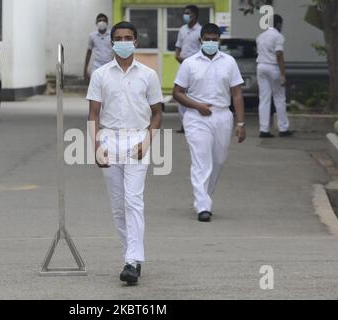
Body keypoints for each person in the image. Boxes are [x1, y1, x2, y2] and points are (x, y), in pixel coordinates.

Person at [87, 21, 163, 285]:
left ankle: (132, 262)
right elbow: (93, 114)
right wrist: (96, 147)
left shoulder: (148, 75)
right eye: (118, 38)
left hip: (138, 140)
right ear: (111, 41)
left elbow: (157, 114)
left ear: (136, 41)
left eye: (128, 37)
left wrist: (148, 141)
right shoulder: (100, 75)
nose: (123, 41)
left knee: (134, 201)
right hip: (109, 139)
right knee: (118, 207)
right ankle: (130, 256)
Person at [173, 23, 246, 223]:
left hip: (223, 115)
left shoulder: (229, 62)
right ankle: (203, 206)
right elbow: (177, 93)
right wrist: (197, 106)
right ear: (200, 39)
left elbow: (237, 94)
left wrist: (241, 124)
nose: (211, 42)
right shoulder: (189, 63)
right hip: (197, 117)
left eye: (215, 38)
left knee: (218, 161)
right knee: (201, 160)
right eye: (208, 38)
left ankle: (204, 197)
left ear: (219, 40)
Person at [256, 14, 294, 138]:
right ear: (279, 24)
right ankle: (283, 128)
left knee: (264, 99)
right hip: (273, 67)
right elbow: (279, 55)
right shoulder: (278, 37)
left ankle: (264, 129)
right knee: (279, 98)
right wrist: (283, 74)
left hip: (261, 66)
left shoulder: (260, 36)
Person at [174, 5, 202, 134]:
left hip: (196, 68)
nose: (185, 15)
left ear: (194, 15)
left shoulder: (200, 31)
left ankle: (195, 123)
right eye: (184, 13)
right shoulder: (182, 30)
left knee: (195, 95)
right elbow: (178, 48)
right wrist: (178, 56)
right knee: (180, 94)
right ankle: (184, 124)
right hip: (182, 65)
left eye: (188, 13)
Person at [84, 14, 114, 83]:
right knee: (94, 87)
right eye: (100, 20)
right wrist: (85, 70)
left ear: (107, 23)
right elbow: (89, 52)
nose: (102, 22)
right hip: (96, 66)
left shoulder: (112, 35)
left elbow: (116, 51)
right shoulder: (92, 35)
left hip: (109, 66)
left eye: (104, 20)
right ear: (96, 23)